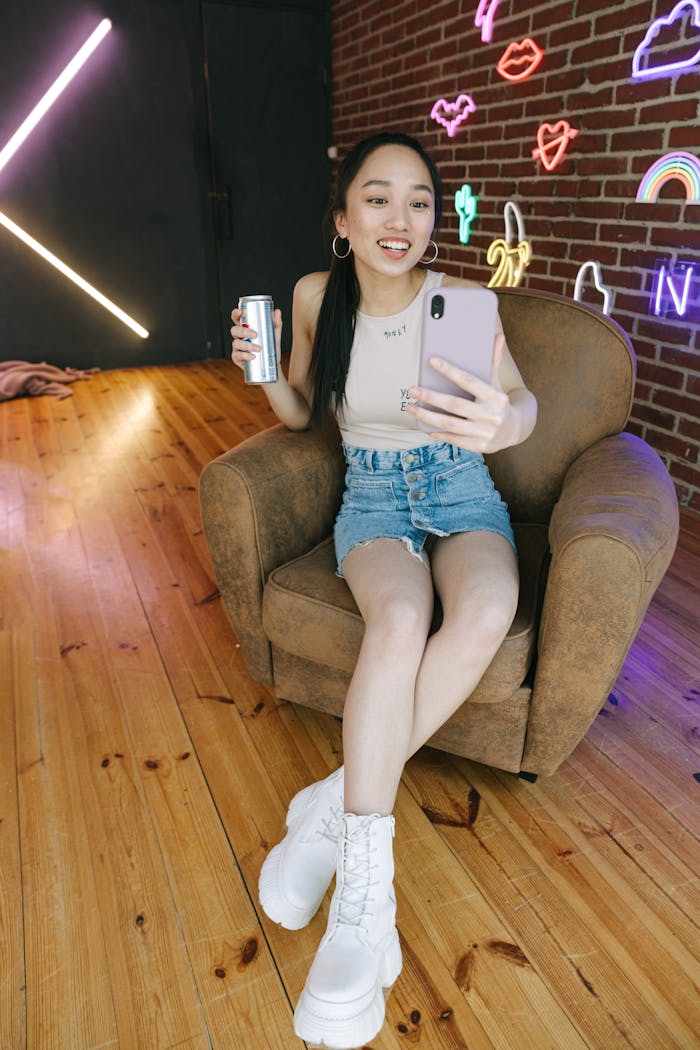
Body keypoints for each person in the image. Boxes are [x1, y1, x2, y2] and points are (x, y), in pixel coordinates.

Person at [230, 131, 537, 1049]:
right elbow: (298, 404)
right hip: (371, 492)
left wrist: (503, 420)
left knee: (484, 608)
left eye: (416, 201)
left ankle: (336, 805)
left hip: (461, 487)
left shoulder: (465, 304)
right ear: (343, 218)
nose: (396, 217)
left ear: (433, 221)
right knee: (398, 619)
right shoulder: (321, 297)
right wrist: (258, 363)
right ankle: (366, 893)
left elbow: (519, 406)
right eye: (376, 197)